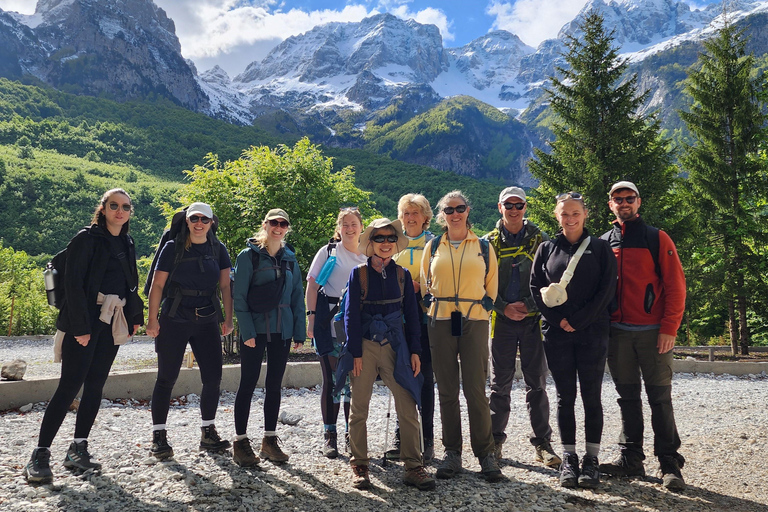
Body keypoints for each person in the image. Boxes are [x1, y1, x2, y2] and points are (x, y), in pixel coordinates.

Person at [24, 189, 144, 484]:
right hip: (86, 322)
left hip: (112, 320)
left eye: (125, 206)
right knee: (68, 387)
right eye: (113, 205)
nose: (120, 210)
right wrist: (80, 328)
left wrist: (134, 318)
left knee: (95, 386)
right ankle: (39, 455)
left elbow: (130, 284)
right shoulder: (85, 239)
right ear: (102, 209)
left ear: (130, 212)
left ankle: (78, 449)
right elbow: (74, 285)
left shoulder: (127, 242)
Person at [599, 181, 687, 491]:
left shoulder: (656, 238)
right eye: (617, 199)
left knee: (660, 398)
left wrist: (669, 328)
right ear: (610, 205)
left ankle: (669, 463)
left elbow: (676, 286)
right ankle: (631, 460)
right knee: (628, 398)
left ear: (639, 202)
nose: (623, 203)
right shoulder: (604, 241)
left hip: (653, 334)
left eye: (629, 198)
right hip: (618, 334)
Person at [529, 192, 616, 489]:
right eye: (564, 213)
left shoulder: (601, 249)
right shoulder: (546, 249)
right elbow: (535, 288)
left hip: (592, 333)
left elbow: (607, 290)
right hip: (557, 335)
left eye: (575, 212)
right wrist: (559, 321)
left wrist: (578, 321)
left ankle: (591, 459)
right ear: (557, 215)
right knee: (565, 397)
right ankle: (569, 457)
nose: (570, 218)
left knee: (591, 396)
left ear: (585, 214)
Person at [342, 218, 435, 491]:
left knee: (407, 405)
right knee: (359, 406)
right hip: (365, 347)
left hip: (397, 346)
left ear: (396, 244)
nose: (385, 243)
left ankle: (413, 465)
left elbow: (412, 316)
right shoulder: (358, 274)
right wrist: (355, 352)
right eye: (379, 238)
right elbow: (351, 317)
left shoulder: (403, 275)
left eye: (390, 239)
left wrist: (415, 350)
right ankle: (359, 463)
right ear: (371, 243)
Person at [420, 190, 503, 482]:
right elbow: (423, 286)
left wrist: (483, 309)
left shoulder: (483, 246)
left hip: (474, 321)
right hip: (441, 321)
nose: (455, 214)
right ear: (443, 215)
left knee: (476, 390)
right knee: (446, 390)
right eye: (449, 209)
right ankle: (452, 453)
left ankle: (486, 455)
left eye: (460, 208)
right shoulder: (433, 247)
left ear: (468, 211)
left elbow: (492, 285)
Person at [146, 202, 234, 459]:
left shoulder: (218, 249)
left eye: (204, 219)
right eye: (194, 218)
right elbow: (157, 285)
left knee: (213, 378)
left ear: (211, 223)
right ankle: (159, 437)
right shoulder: (172, 248)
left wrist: (228, 319)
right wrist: (153, 320)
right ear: (186, 221)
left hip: (206, 319)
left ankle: (208, 432)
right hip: (175, 317)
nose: (199, 223)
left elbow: (226, 287)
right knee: (166, 378)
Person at [483, 186, 560, 468]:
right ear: (499, 207)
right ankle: (494, 442)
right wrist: (502, 306)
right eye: (509, 205)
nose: (514, 210)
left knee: (537, 384)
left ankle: (542, 443)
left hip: (533, 322)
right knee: (498, 386)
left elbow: (552, 281)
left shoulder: (541, 240)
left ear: (525, 207)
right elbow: (479, 285)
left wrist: (529, 306)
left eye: (519, 205)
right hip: (500, 321)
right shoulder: (487, 242)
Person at [231, 209, 305, 466]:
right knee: (248, 384)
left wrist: (299, 330)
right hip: (256, 329)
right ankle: (240, 443)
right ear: (265, 225)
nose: (278, 227)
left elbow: (297, 296)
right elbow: (238, 297)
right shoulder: (248, 256)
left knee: (274, 385)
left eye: (283, 223)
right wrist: (247, 332)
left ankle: (269, 442)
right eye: (274, 222)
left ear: (287, 228)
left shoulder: (290, 258)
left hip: (282, 330)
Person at [305, 208, 367, 458]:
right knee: (332, 381)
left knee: (354, 383)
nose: (349, 229)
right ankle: (329, 436)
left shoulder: (368, 252)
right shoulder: (329, 252)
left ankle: (351, 434)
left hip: (359, 327)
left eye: (353, 224)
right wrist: (310, 319)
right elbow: (312, 285)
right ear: (338, 228)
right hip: (329, 324)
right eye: (344, 224)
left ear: (361, 226)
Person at [387, 193, 436, 462]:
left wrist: (420, 288)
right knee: (399, 378)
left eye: (415, 213)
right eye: (406, 213)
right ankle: (403, 435)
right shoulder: (393, 243)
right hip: (397, 320)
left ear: (425, 217)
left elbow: (440, 280)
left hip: (424, 318)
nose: (410, 217)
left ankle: (426, 438)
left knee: (425, 378)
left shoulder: (434, 244)